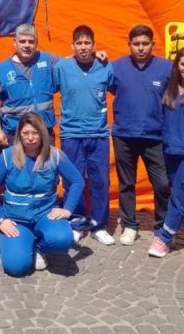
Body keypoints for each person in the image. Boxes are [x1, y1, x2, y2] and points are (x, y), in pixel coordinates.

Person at [0, 113, 85, 277]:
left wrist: (67, 210)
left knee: (63, 239)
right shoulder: (7, 156)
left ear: (42, 133)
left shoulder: (54, 155)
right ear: (19, 135)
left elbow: (77, 182)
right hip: (16, 220)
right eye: (25, 133)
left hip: (46, 215)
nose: (30, 138)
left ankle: (40, 247)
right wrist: (0, 220)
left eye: (35, 133)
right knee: (16, 268)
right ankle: (22, 243)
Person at [52, 25, 116, 246]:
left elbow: (121, 91)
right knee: (73, 180)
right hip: (71, 134)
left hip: (98, 134)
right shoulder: (62, 67)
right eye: (79, 43)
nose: (83, 47)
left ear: (94, 45)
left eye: (87, 43)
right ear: (72, 46)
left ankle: (99, 224)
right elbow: (47, 87)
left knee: (100, 181)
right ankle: (76, 222)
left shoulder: (105, 67)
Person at [110, 24, 172, 246]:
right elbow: (103, 83)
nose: (141, 48)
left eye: (145, 44)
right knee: (127, 183)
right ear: (129, 45)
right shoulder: (116, 67)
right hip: (124, 135)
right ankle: (129, 225)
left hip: (155, 136)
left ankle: (161, 227)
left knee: (162, 184)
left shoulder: (166, 68)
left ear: (152, 45)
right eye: (136, 44)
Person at [147, 48, 184, 258]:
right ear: (176, 66)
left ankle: (164, 237)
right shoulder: (168, 89)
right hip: (170, 148)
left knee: (180, 194)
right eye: (183, 64)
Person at [0, 24, 59, 147]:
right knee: (18, 166)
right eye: (22, 41)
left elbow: (72, 62)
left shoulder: (47, 60)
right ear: (15, 42)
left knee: (47, 166)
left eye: (31, 42)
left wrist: (93, 55)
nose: (27, 45)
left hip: (44, 131)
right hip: (15, 133)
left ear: (36, 43)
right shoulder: (2, 70)